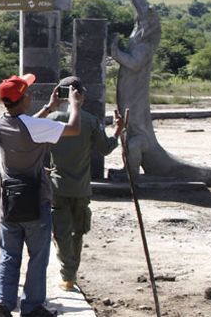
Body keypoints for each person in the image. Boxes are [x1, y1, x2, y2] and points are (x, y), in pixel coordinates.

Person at [0, 73, 82, 317]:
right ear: (23, 99)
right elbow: (73, 129)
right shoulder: (35, 126)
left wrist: (48, 108)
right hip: (35, 200)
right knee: (38, 257)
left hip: (8, 201)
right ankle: (31, 307)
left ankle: (3, 303)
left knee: (9, 255)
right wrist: (75, 105)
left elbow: (28, 126)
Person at [47, 76, 124, 292]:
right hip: (81, 188)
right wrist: (118, 130)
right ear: (81, 95)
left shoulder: (51, 119)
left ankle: (67, 275)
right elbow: (106, 148)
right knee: (77, 232)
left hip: (57, 187)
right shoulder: (90, 121)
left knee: (61, 231)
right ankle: (71, 275)